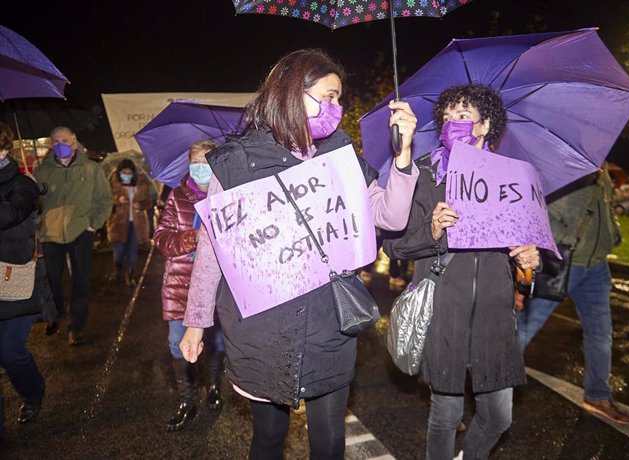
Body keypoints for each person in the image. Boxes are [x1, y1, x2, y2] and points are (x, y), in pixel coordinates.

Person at [179, 49, 419, 459]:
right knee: (269, 440)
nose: (336, 107)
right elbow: (212, 250)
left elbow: (391, 217)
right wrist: (196, 322)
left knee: (329, 444)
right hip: (264, 330)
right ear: (291, 92)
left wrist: (403, 156)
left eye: (339, 98)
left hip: (329, 323)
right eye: (327, 96)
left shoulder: (340, 154)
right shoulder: (236, 162)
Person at [383, 84, 540, 460]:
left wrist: (529, 263)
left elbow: (525, 259)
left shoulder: (510, 179)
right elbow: (394, 246)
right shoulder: (424, 175)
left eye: (464, 116)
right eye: (448, 117)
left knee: (499, 416)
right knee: (446, 414)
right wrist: (433, 231)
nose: (452, 123)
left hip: (493, 314)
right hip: (444, 312)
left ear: (485, 125)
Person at [516, 167, 629, 425]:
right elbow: (542, 211)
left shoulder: (603, 171)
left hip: (597, 266)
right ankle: (490, 385)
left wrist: (613, 235)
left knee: (601, 333)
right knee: (525, 327)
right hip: (564, 263)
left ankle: (598, 396)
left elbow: (607, 208)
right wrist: (569, 240)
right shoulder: (566, 168)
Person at [153, 140, 226, 432]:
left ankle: (213, 386)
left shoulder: (228, 195)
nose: (201, 169)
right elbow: (161, 237)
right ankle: (186, 400)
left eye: (207, 163)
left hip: (217, 288)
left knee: (218, 342)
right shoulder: (176, 196)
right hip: (180, 285)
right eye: (196, 162)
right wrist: (187, 239)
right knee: (176, 343)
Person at [0, 123, 58, 440]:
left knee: (10, 353)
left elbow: (7, 216)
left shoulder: (23, 185)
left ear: (5, 150)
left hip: (12, 281)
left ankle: (33, 392)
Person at [33, 126, 111, 346]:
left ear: (74, 143)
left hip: (80, 232)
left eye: (64, 141)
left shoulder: (91, 169)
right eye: (55, 141)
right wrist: (30, 188)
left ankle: (77, 325)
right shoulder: (42, 171)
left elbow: (105, 200)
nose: (60, 145)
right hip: (51, 235)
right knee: (52, 280)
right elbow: (36, 204)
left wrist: (92, 225)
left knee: (81, 282)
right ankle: (56, 313)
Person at [106, 159, 152, 287]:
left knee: (132, 252)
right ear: (119, 173)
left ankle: (130, 276)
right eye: (124, 173)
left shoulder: (141, 184)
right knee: (119, 251)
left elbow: (148, 202)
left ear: (133, 173)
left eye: (129, 173)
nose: (126, 175)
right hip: (119, 224)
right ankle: (118, 270)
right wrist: (117, 200)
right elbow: (106, 201)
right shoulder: (113, 185)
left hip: (136, 225)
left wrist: (140, 205)